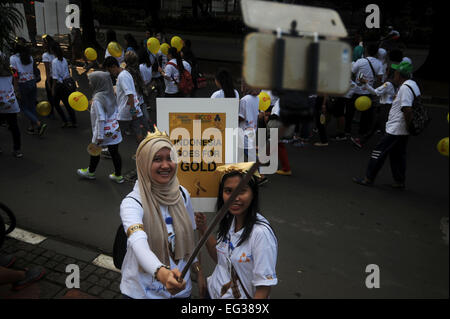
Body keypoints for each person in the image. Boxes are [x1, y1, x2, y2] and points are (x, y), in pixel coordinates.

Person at [119, 127, 205, 299]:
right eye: (157, 159)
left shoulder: (182, 194)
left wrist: (199, 272)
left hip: (180, 291)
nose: (166, 165)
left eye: (170, 158)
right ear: (143, 164)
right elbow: (139, 244)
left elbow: (190, 239)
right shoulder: (132, 203)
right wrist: (163, 274)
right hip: (142, 293)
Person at [195, 162, 278, 299]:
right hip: (212, 292)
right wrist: (203, 228)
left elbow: (263, 288)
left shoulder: (261, 234)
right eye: (228, 191)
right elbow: (221, 259)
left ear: (253, 193)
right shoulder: (230, 219)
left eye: (241, 191)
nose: (235, 198)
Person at [353, 61, 417, 189]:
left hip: (396, 128)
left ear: (399, 74)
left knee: (378, 152)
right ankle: (399, 181)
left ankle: (368, 178)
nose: (394, 74)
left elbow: (407, 109)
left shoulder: (404, 88)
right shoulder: (412, 84)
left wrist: (409, 125)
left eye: (396, 72)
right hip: (400, 128)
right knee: (397, 155)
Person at [77, 71, 124, 183]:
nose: (89, 83)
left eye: (91, 81)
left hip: (103, 131)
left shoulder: (98, 99)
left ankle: (90, 172)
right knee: (114, 153)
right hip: (114, 129)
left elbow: (101, 118)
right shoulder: (110, 93)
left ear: (98, 83)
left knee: (95, 150)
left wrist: (99, 135)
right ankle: (118, 175)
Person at [103, 56, 145, 147]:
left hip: (126, 112)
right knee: (138, 132)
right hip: (133, 109)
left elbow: (130, 95)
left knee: (115, 132)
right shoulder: (125, 73)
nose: (110, 73)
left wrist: (133, 112)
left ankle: (111, 151)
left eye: (110, 70)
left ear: (114, 66)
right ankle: (143, 153)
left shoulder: (122, 77)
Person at [10, 38, 47, 136]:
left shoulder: (13, 58)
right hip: (32, 82)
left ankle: (38, 123)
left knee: (23, 107)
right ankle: (32, 127)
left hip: (23, 84)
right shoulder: (29, 57)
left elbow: (15, 75)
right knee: (31, 106)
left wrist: (16, 89)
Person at [345, 43, 384, 138]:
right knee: (365, 115)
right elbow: (379, 79)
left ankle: (347, 131)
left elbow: (351, 73)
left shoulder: (360, 61)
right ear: (376, 53)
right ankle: (361, 132)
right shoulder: (379, 64)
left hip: (356, 91)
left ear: (366, 51)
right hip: (368, 93)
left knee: (350, 112)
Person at [0, 51, 22, 157]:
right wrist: (16, 92)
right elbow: (16, 82)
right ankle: (17, 150)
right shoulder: (11, 71)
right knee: (14, 126)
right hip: (10, 103)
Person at [51, 42, 78, 128]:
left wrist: (53, 89)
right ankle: (73, 121)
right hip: (67, 82)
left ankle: (65, 120)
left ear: (54, 52)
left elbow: (55, 78)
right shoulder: (64, 59)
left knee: (55, 103)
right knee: (67, 103)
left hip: (60, 85)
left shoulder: (54, 62)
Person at [41, 34, 57, 119]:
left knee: (50, 96)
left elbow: (47, 70)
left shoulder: (45, 55)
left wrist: (48, 82)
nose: (42, 44)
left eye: (43, 42)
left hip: (51, 78)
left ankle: (52, 113)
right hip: (59, 77)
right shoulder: (56, 52)